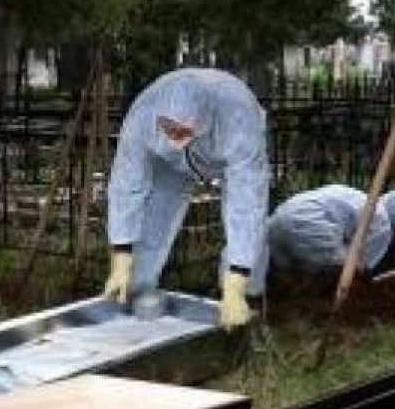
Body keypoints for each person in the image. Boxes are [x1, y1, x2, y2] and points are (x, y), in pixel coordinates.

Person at [101, 68, 269, 328]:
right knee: (152, 220)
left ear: (201, 122)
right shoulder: (144, 115)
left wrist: (238, 278)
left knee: (250, 233)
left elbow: (247, 202)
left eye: (182, 132)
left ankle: (246, 304)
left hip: (223, 157)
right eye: (168, 128)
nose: (173, 136)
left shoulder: (238, 118)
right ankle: (135, 296)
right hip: (169, 162)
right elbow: (126, 182)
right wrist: (120, 255)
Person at [259, 185, 395, 290]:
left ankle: (279, 304)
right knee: (336, 269)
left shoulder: (356, 197)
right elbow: (360, 265)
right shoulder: (383, 223)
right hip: (314, 226)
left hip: (281, 216)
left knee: (284, 270)